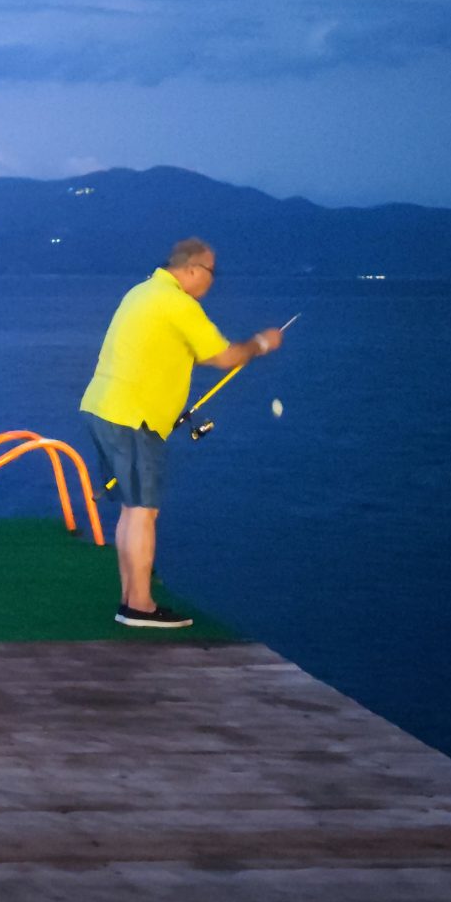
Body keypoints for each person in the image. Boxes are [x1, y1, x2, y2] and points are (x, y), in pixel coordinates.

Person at [79, 238, 285, 629]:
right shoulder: (177, 303)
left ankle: (130, 599)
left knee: (132, 508)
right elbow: (223, 356)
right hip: (134, 418)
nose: (213, 280)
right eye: (211, 271)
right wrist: (262, 343)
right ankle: (139, 606)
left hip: (103, 409)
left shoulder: (142, 292)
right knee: (144, 510)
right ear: (191, 269)